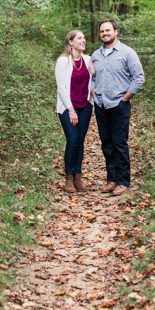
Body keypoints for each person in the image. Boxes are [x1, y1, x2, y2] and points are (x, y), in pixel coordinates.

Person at [91, 20, 145, 196]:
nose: (105, 33)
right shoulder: (96, 55)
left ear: (115, 31)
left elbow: (139, 78)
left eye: (108, 30)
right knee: (107, 144)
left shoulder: (127, 53)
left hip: (119, 104)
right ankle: (111, 179)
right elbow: (93, 76)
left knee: (119, 143)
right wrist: (93, 91)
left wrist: (125, 98)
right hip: (101, 104)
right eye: (102, 31)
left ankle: (123, 181)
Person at [55, 30, 95, 193]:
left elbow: (94, 80)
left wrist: (94, 73)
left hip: (85, 106)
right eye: (80, 38)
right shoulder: (63, 61)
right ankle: (69, 178)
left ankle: (78, 178)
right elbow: (61, 88)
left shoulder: (88, 59)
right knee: (72, 140)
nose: (83, 40)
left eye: (84, 38)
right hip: (68, 107)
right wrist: (71, 110)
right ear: (70, 42)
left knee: (80, 141)